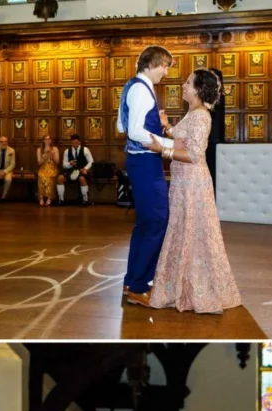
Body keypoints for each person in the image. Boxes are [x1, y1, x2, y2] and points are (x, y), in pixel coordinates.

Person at [144, 70, 242, 315]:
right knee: (183, 230)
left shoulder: (200, 116)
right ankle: (180, 286)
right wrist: (167, 127)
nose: (183, 85)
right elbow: (182, 139)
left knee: (193, 233)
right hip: (183, 182)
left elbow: (194, 155)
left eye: (188, 82)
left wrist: (161, 150)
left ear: (198, 89)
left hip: (193, 184)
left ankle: (196, 290)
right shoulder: (193, 113)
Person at [117, 45, 177, 305]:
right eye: (165, 66)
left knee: (145, 224)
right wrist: (170, 145)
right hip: (145, 163)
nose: (166, 72)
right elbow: (135, 132)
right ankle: (139, 287)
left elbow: (120, 125)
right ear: (153, 64)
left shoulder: (132, 85)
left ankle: (132, 281)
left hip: (139, 162)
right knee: (156, 222)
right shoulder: (142, 89)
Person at [58, 133, 93, 206]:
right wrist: (70, 164)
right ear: (71, 143)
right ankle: (61, 199)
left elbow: (91, 161)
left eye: (76, 142)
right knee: (60, 178)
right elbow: (64, 165)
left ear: (79, 142)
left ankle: (85, 200)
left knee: (82, 179)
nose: (74, 144)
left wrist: (85, 168)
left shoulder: (85, 150)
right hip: (71, 171)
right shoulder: (67, 151)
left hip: (81, 170)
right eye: (73, 142)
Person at [35, 135, 59, 207]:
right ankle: (41, 197)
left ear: (51, 140)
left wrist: (52, 156)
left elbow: (57, 162)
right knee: (41, 176)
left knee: (49, 176)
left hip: (52, 168)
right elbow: (39, 163)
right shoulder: (39, 149)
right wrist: (44, 156)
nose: (47, 140)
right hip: (43, 168)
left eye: (49, 139)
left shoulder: (55, 149)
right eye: (46, 139)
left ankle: (49, 197)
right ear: (43, 141)